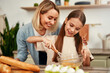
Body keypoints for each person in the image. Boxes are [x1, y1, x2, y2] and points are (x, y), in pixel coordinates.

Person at [26, 10, 94, 66]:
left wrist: (87, 56)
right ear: (66, 20)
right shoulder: (52, 40)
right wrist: (43, 39)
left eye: (77, 29)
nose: (72, 30)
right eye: (71, 25)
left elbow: (86, 66)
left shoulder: (81, 43)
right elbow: (29, 39)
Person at [16, 0, 61, 65]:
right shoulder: (24, 31)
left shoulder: (58, 27)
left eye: (55, 19)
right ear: (40, 14)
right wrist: (14, 62)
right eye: (49, 18)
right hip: (40, 68)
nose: (52, 22)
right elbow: (22, 54)